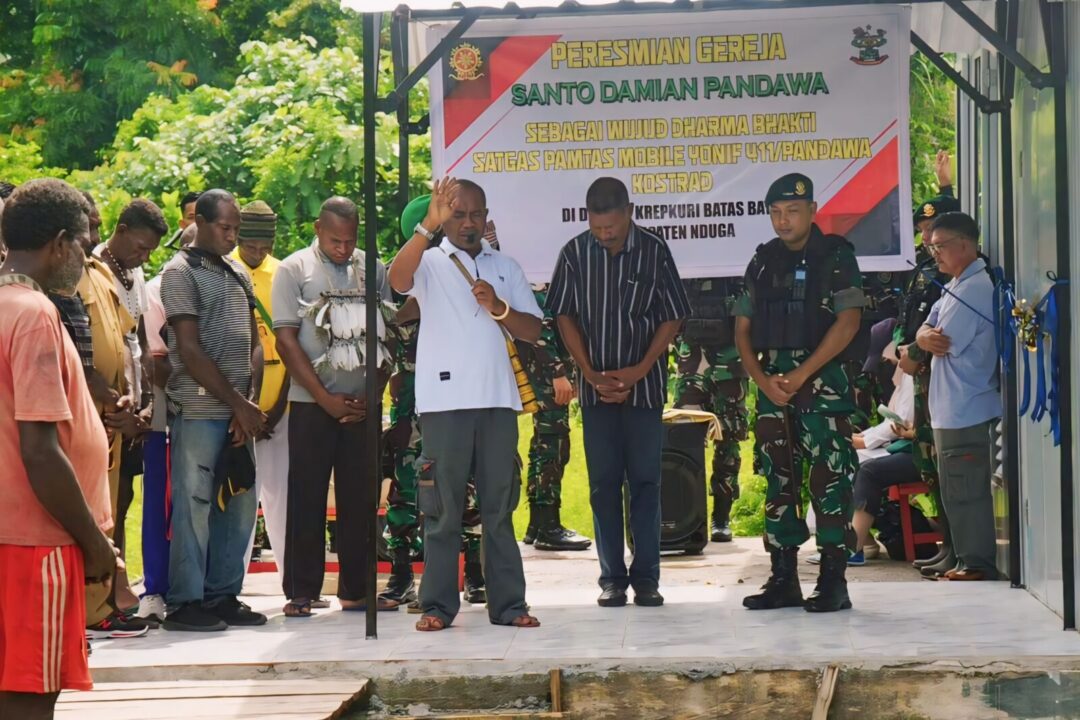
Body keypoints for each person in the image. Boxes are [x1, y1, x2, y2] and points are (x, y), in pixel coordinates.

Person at [388, 177, 542, 632]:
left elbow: (532, 330)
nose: (469, 223)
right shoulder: (431, 262)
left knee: (499, 507)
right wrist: (425, 229)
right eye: (459, 215)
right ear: (445, 217)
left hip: (497, 401)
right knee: (442, 509)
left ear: (486, 217)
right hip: (444, 402)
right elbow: (397, 282)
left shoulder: (505, 266)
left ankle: (509, 605)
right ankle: (437, 605)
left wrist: (499, 308)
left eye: (476, 214)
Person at [0, 178, 116, 720]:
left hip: (14, 538)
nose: (87, 255)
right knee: (29, 697)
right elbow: (41, 450)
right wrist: (93, 543)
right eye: (85, 242)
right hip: (36, 543)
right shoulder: (35, 314)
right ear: (61, 243)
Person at [548, 177, 691, 609]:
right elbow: (564, 315)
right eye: (597, 227)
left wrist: (640, 369)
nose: (605, 234)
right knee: (603, 486)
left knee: (647, 484)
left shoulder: (654, 250)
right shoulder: (574, 253)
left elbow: (673, 316)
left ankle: (647, 578)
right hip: (595, 394)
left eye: (611, 226)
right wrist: (589, 372)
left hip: (643, 390)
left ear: (629, 212)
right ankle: (611, 578)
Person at [734, 173, 865, 613]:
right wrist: (762, 380)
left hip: (822, 388)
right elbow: (743, 328)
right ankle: (784, 579)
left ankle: (833, 582)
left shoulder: (836, 256)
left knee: (830, 482)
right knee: (779, 481)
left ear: (811, 210)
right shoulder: (762, 261)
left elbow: (847, 323)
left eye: (791, 211)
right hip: (774, 391)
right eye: (775, 213)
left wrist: (803, 374)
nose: (782, 220)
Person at [273, 196, 396, 616]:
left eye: (349, 240)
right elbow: (286, 341)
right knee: (306, 495)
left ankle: (357, 589)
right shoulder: (294, 269)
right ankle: (302, 592)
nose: (342, 248)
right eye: (334, 240)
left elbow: (385, 335)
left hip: (363, 403)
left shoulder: (373, 268)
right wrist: (326, 399)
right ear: (316, 228)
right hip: (311, 402)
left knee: (360, 498)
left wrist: (373, 392)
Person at [161, 189, 268, 631]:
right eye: (225, 228)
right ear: (199, 223)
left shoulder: (238, 272)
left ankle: (222, 595)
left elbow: (255, 344)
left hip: (236, 410)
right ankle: (185, 603)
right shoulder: (179, 271)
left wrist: (249, 404)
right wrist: (238, 404)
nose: (232, 236)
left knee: (239, 501)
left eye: (236, 229)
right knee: (195, 502)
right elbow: (188, 349)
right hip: (201, 407)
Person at [71, 195, 150, 636]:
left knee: (114, 513)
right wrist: (106, 398)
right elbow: (74, 358)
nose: (96, 238)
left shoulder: (99, 273)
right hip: (84, 418)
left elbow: (129, 343)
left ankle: (106, 603)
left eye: (98, 226)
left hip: (116, 422)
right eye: (89, 228)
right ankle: (91, 607)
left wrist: (132, 405)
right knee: (87, 514)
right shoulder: (52, 284)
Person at [916, 211, 1001, 581]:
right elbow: (926, 329)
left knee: (967, 490)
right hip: (950, 406)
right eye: (932, 248)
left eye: (941, 247)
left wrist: (925, 339)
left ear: (965, 245)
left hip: (968, 405)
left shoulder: (976, 288)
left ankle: (976, 561)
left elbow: (943, 340)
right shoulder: (956, 284)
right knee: (952, 488)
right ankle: (958, 554)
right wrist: (921, 337)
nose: (935, 255)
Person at [93, 199, 168, 613]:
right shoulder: (92, 268)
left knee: (124, 500)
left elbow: (139, 341)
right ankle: (103, 593)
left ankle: (116, 590)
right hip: (104, 407)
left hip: (135, 406)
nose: (144, 257)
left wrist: (147, 402)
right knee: (105, 502)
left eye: (150, 252)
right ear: (120, 230)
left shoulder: (134, 273)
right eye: (140, 247)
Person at [230, 201, 290, 581]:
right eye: (250, 246)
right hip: (237, 408)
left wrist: (279, 407)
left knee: (283, 499)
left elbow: (291, 344)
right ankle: (231, 583)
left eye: (264, 246)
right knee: (239, 501)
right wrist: (245, 409)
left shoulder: (283, 273)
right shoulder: (224, 269)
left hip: (281, 409)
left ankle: (293, 582)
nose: (257, 253)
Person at [673, 277, 749, 543]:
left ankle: (721, 516)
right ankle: (685, 517)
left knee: (727, 440)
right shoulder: (686, 265)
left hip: (730, 363)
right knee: (682, 440)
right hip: (692, 362)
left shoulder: (734, 268)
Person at [519, 283, 592, 551]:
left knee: (543, 444)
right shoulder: (539, 277)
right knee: (553, 445)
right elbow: (542, 328)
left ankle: (538, 524)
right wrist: (558, 372)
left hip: (544, 371)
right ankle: (549, 526)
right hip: (547, 373)